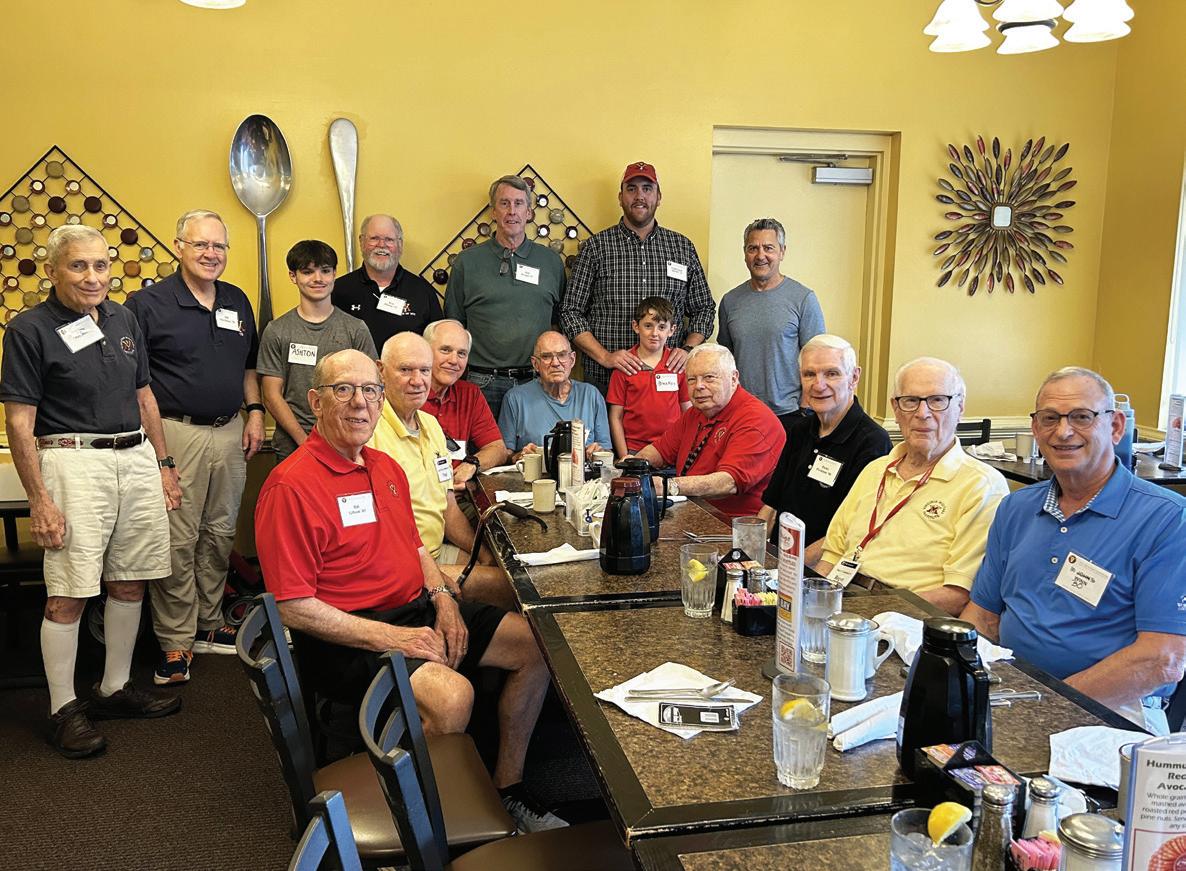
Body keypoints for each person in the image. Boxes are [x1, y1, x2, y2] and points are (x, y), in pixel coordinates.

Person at [255, 349, 565, 832]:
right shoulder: (290, 486)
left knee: (536, 644)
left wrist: (443, 599)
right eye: (343, 390)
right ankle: (428, 824)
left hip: (413, 608)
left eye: (369, 391)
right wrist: (395, 638)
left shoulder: (385, 467)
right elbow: (293, 607)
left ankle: (507, 790)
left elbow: (416, 547)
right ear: (315, 402)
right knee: (452, 697)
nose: (360, 402)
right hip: (349, 637)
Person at [1, 225, 182, 758]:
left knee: (131, 580)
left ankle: (113, 688)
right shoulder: (29, 329)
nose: (92, 276)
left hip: (135, 457)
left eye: (101, 265)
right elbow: (19, 421)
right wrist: (40, 499)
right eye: (78, 265)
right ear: (53, 270)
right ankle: (62, 708)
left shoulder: (124, 318)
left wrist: (164, 464)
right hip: (72, 459)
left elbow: (144, 395)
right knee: (70, 590)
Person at [962, 367, 1186, 734]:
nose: (1063, 432)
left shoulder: (1167, 519)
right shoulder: (1016, 508)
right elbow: (983, 617)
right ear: (1035, 429)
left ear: (1115, 427)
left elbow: (1161, 659)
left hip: (1115, 710)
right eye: (1050, 418)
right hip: (1014, 692)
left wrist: (1047, 708)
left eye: (1081, 417)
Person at [125, 209, 264, 685]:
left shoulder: (236, 300)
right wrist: (158, 451)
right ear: (178, 246)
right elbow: (136, 382)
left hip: (229, 431)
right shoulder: (147, 305)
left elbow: (248, 365)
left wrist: (255, 411)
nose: (211, 253)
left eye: (219, 246)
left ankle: (209, 622)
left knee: (220, 533)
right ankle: (175, 639)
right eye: (201, 244)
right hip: (175, 431)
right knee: (178, 539)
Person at [812, 357, 1008, 616]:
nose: (922, 413)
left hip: (908, 617)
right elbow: (831, 556)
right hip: (844, 601)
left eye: (937, 400)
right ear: (896, 409)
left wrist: (870, 612)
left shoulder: (981, 486)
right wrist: (813, 605)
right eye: (911, 401)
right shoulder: (875, 469)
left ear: (960, 406)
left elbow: (957, 596)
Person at [369, 333, 515, 610]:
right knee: (514, 589)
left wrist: (484, 555)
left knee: (507, 569)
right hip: (402, 566)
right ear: (380, 371)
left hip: (436, 551)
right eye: (405, 370)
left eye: (424, 371)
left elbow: (448, 510)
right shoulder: (368, 431)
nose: (417, 380)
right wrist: (432, 575)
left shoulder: (430, 426)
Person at [560, 161, 715, 393]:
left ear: (658, 197)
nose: (639, 196)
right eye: (631, 189)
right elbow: (570, 311)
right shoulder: (596, 248)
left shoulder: (682, 248)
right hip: (606, 379)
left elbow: (704, 308)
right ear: (620, 197)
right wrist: (605, 356)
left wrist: (687, 350)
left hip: (667, 380)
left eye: (647, 188)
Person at [758, 334, 891, 565]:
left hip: (821, 569)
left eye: (831, 373)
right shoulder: (800, 430)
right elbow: (771, 506)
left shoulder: (872, 442)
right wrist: (752, 554)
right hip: (781, 560)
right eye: (809, 374)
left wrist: (790, 568)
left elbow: (851, 531)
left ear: (854, 377)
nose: (818, 385)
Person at [444, 175, 566, 419]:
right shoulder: (467, 262)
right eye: (504, 203)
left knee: (539, 443)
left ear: (529, 212)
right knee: (485, 444)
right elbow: (453, 324)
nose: (512, 211)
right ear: (493, 211)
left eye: (519, 203)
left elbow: (558, 322)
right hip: (482, 382)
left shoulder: (551, 262)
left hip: (538, 380)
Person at [631, 343, 784, 518]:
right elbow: (660, 451)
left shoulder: (756, 419)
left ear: (733, 379)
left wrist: (668, 486)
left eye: (709, 377)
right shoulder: (696, 413)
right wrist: (632, 465)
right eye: (691, 379)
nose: (699, 386)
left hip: (731, 525)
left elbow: (728, 482)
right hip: (692, 512)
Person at [258, 240, 377, 461]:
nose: (318, 278)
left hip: (347, 443)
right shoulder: (277, 331)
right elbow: (272, 395)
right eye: (307, 272)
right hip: (293, 446)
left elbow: (371, 390)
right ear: (293, 276)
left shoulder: (356, 329)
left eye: (325, 271)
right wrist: (306, 443)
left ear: (334, 274)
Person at [717, 218, 825, 430]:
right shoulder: (730, 301)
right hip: (742, 413)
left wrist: (805, 407)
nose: (760, 256)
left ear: (782, 252)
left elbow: (818, 359)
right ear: (745, 253)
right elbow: (726, 360)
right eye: (753, 248)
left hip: (791, 414)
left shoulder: (803, 299)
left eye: (768, 248)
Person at [330, 214, 442, 352]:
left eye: (389, 239)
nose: (381, 245)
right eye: (374, 238)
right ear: (361, 242)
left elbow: (437, 346)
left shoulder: (423, 292)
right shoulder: (338, 290)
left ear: (400, 244)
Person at [422, 318, 510, 489]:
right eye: (445, 350)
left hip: (461, 493)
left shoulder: (470, 394)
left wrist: (472, 464)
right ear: (425, 351)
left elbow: (498, 449)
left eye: (461, 353)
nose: (454, 360)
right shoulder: (407, 394)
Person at [498, 331, 610, 460]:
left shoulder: (591, 395)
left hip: (581, 472)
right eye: (546, 357)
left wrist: (599, 452)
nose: (555, 363)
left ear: (572, 359)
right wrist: (519, 456)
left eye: (562, 355)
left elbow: (606, 450)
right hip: (536, 472)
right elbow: (504, 456)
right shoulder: (515, 398)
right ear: (535, 364)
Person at [606, 296, 691, 457]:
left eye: (661, 327)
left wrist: (686, 450)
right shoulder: (625, 366)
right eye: (648, 326)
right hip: (634, 451)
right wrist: (625, 456)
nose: (654, 333)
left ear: (672, 330)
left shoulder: (678, 365)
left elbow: (688, 412)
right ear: (636, 326)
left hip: (672, 449)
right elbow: (616, 416)